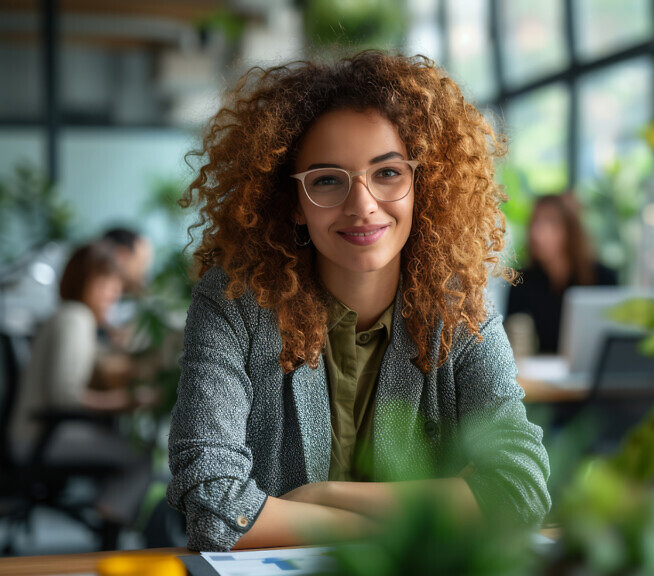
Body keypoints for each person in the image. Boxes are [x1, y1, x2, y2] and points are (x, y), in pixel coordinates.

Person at [167, 50, 551, 551]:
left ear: (421, 185)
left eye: (388, 172)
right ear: (295, 204)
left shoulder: (457, 310)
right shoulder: (236, 301)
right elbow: (214, 504)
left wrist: (324, 495)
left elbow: (520, 491)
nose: (362, 204)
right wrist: (389, 533)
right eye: (327, 180)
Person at [10, 240, 153, 533]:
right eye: (105, 282)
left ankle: (106, 517)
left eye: (116, 284)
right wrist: (128, 402)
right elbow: (65, 397)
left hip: (35, 433)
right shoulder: (76, 319)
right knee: (139, 455)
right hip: (41, 437)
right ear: (82, 281)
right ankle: (108, 527)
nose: (113, 292)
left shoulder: (66, 316)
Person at [506, 193, 618, 355]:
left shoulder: (603, 278)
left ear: (570, 230)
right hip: (536, 377)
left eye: (550, 222)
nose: (537, 232)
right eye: (535, 222)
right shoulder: (520, 281)